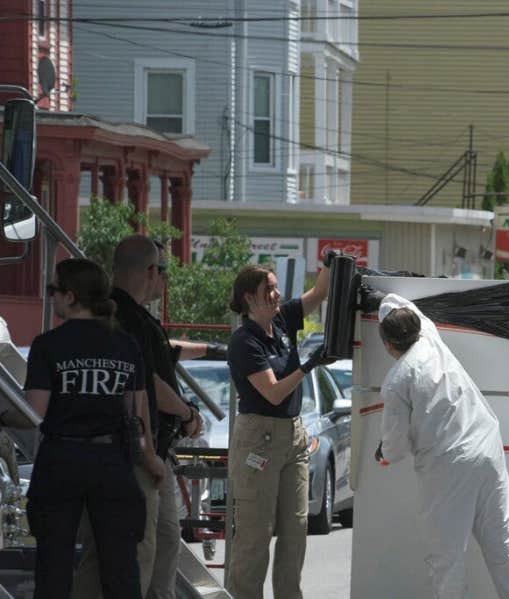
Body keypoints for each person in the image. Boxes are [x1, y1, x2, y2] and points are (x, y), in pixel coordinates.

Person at [369, 291, 509, 599]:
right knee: (505, 543)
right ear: (415, 327)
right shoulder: (430, 338)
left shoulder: (397, 380)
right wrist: (384, 298)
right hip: (486, 446)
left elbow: (394, 447)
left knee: (447, 559)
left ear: (387, 344)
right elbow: (410, 309)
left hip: (448, 466)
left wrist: (383, 453)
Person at [24, 258, 166, 599]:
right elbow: (138, 409)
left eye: (53, 290)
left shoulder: (48, 345)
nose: (51, 297)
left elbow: (34, 412)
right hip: (112, 459)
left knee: (53, 565)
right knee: (121, 569)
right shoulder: (125, 344)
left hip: (61, 457)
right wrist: (149, 458)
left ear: (70, 297)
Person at [72, 235, 205, 599]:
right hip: (130, 454)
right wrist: (187, 413)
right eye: (162, 271)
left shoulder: (120, 316)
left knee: (159, 545)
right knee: (133, 553)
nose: (163, 279)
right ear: (150, 271)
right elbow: (145, 385)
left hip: (139, 453)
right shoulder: (121, 318)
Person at [225, 257, 334, 599]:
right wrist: (309, 366)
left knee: (296, 529)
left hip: (292, 434)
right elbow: (272, 392)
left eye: (275, 287)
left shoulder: (283, 320)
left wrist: (330, 264)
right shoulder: (244, 341)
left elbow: (320, 292)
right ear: (248, 298)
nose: (276, 294)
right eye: (267, 289)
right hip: (260, 438)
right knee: (255, 534)